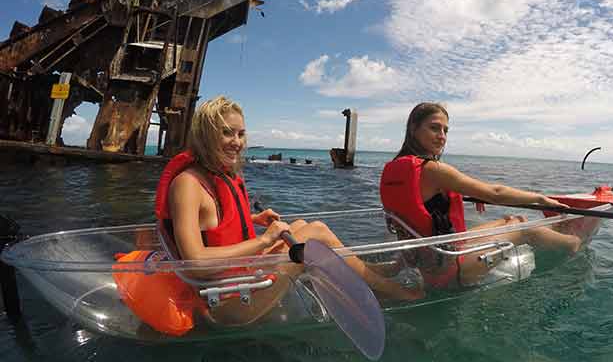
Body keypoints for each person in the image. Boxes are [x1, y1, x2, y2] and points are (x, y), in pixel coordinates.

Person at [157, 96, 421, 326]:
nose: (236, 142)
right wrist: (264, 239)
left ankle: (372, 277)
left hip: (242, 280)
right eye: (226, 133)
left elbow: (213, 225)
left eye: (240, 134)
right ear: (205, 135)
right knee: (314, 233)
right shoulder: (187, 185)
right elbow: (195, 264)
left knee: (303, 224)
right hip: (226, 304)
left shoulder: (215, 175)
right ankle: (386, 289)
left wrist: (253, 219)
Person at [380, 102, 581, 289]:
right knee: (524, 229)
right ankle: (574, 243)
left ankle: (554, 233)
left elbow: (426, 202)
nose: (442, 136)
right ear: (414, 129)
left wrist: (464, 195)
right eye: (434, 128)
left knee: (512, 219)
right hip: (450, 269)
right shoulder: (432, 170)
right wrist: (541, 199)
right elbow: (496, 193)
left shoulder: (394, 169)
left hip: (425, 262)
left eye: (445, 130)